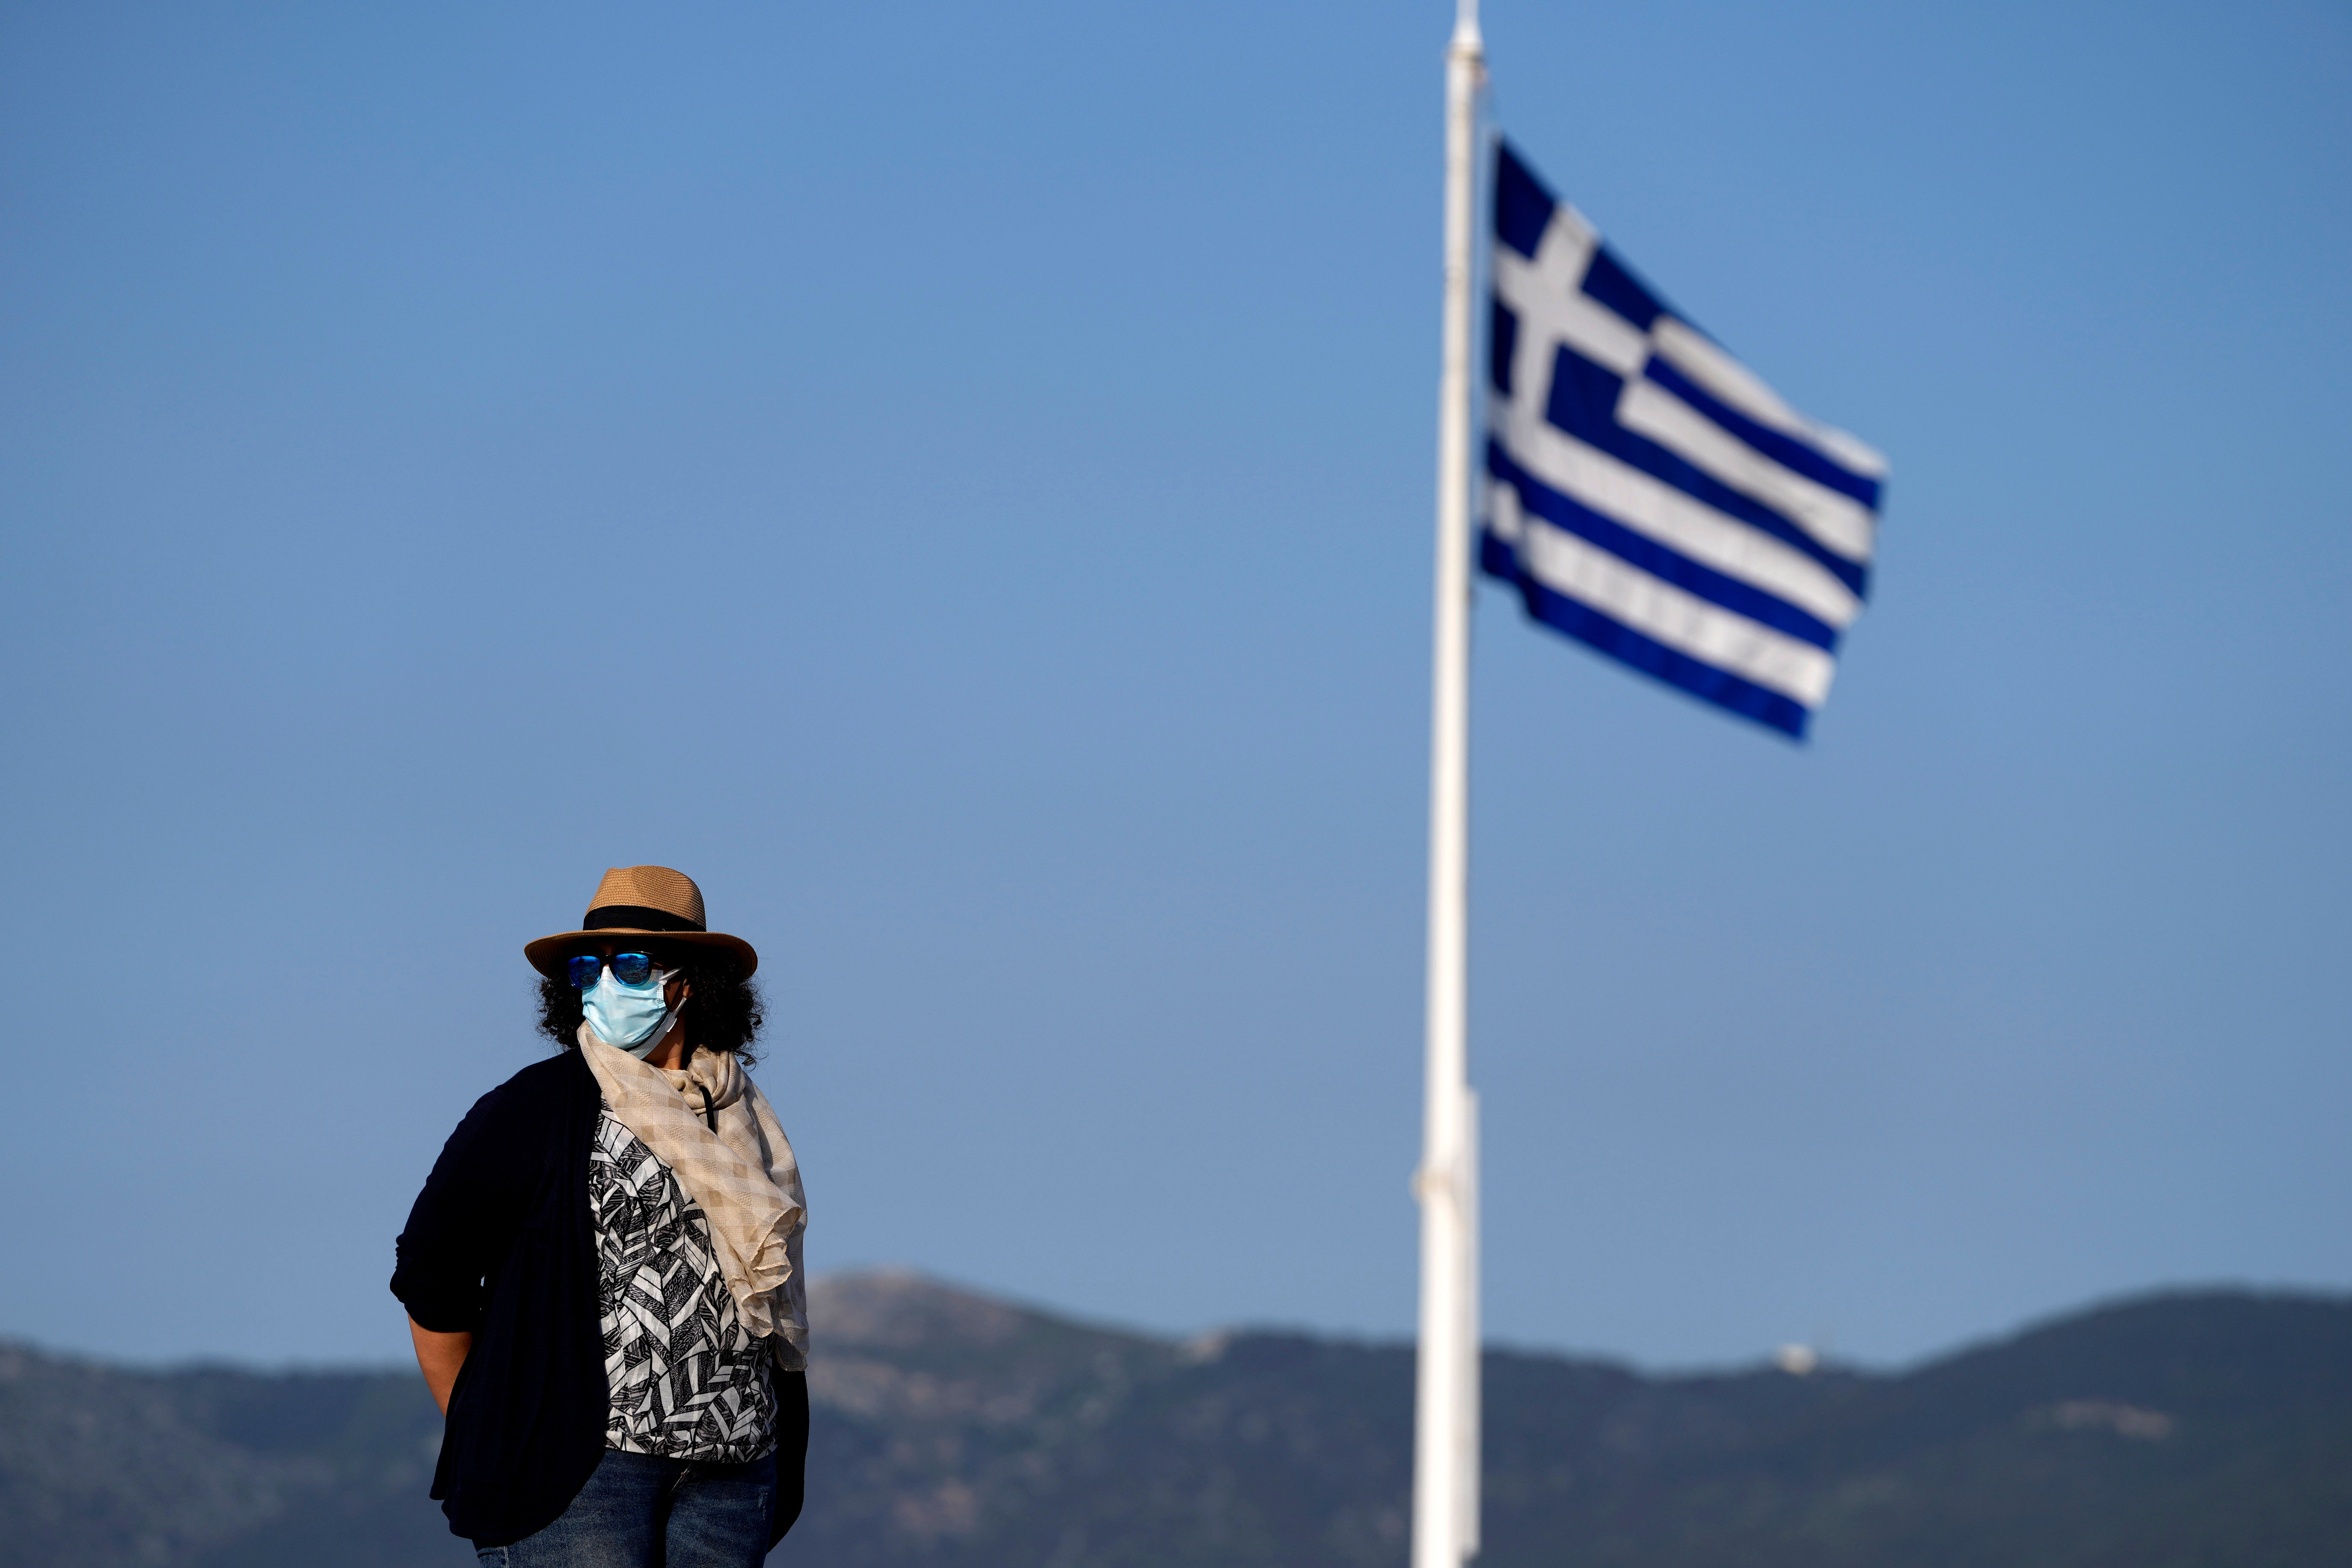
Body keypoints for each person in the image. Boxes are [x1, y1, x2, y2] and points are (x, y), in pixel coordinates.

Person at [392, 865, 810, 1566]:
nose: (609, 984)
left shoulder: (743, 1118)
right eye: (590, 968)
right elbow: (433, 1273)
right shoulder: (534, 1108)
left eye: (635, 965)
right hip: (584, 1476)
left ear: (690, 981)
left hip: (734, 1471)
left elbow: (772, 1303)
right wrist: (491, 1425)